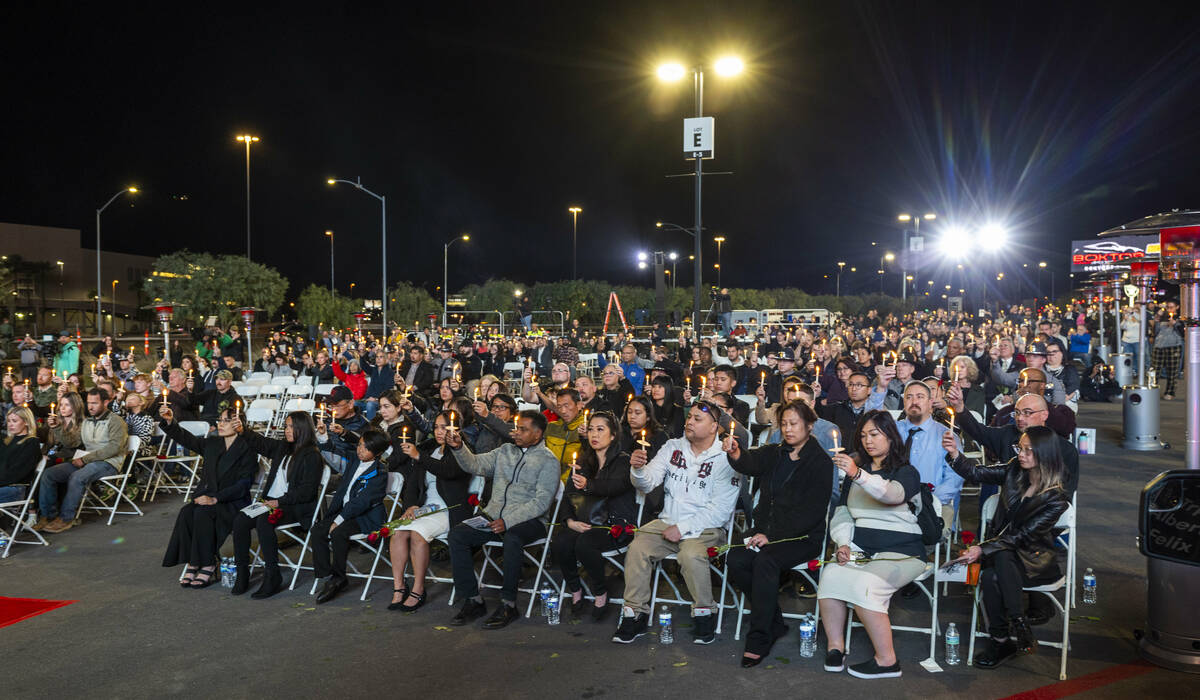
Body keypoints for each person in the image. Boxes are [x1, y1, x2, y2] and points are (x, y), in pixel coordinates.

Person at [614, 401, 740, 645]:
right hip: (668, 522)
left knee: (691, 554)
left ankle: (705, 611)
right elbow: (648, 482)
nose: (689, 422)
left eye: (697, 419)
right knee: (638, 548)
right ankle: (635, 613)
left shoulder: (726, 457)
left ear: (714, 426)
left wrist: (682, 529)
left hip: (707, 528)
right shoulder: (672, 447)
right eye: (689, 416)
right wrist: (638, 469)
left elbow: (720, 511)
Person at [943, 426, 1070, 669]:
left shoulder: (1056, 499)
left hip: (1032, 560)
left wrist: (982, 549)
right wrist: (955, 454)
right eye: (1019, 448)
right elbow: (977, 473)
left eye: (1027, 450)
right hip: (1003, 553)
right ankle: (1016, 627)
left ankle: (1002, 638)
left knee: (993, 571)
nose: (1021, 454)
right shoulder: (1015, 469)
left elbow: (1023, 536)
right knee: (998, 563)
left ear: (1045, 454)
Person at [818, 410, 928, 680]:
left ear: (891, 437)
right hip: (863, 547)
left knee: (865, 585)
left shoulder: (906, 472)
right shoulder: (858, 472)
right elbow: (843, 512)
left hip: (903, 552)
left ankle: (887, 661)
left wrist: (857, 475)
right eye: (864, 435)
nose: (868, 440)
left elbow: (892, 495)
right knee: (830, 575)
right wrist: (843, 542)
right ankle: (836, 647)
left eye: (875, 434)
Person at [724, 400, 833, 667]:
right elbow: (750, 462)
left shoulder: (820, 462)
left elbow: (813, 512)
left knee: (766, 560)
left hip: (802, 537)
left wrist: (773, 536)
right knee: (735, 559)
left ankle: (760, 637)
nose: (787, 429)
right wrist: (736, 453)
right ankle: (773, 621)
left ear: (809, 425)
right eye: (783, 423)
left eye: (794, 423)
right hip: (767, 530)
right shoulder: (775, 452)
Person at [445, 409, 560, 630]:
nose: (516, 433)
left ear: (538, 434)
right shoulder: (505, 451)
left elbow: (541, 503)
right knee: (458, 535)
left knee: (513, 538)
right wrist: (459, 448)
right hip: (494, 515)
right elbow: (475, 465)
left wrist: (508, 521)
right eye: (516, 428)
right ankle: (472, 599)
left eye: (523, 430)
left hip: (530, 521)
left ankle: (509, 604)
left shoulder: (548, 460)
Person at [159, 404, 256, 588]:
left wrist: (215, 498)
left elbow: (244, 485)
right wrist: (170, 421)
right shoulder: (213, 443)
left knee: (203, 513)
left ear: (238, 423)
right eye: (220, 420)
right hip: (209, 496)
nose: (220, 423)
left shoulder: (247, 449)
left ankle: (208, 563)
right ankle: (193, 561)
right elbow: (187, 439)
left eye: (226, 421)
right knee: (187, 512)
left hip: (232, 501)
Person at [552, 411, 636, 622]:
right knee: (561, 541)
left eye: (600, 429)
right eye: (591, 429)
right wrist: (570, 521)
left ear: (614, 434)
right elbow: (569, 495)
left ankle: (600, 592)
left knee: (584, 544)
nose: (594, 434)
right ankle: (575, 589)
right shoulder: (583, 460)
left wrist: (589, 485)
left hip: (612, 524)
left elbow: (617, 486)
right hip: (584, 520)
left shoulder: (623, 461)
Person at [232, 411, 324, 598]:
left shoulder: (311, 455)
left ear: (302, 428)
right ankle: (242, 572)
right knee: (240, 519)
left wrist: (279, 501)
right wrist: (243, 430)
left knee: (263, 522)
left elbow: (306, 492)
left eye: (291, 426)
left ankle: (272, 574)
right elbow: (262, 443)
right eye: (286, 426)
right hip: (270, 503)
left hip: (293, 506)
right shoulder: (283, 447)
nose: (286, 430)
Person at [388, 410, 472, 612]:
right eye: (436, 427)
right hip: (426, 508)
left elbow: (448, 471)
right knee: (397, 531)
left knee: (417, 534)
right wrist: (409, 505)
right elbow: (412, 484)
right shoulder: (430, 449)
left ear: (457, 428)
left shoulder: (462, 451)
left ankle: (418, 588)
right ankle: (399, 587)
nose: (439, 431)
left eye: (444, 427)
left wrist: (418, 456)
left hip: (448, 509)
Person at [311, 430, 391, 604]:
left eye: (366, 448)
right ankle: (327, 574)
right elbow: (336, 453)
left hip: (365, 517)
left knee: (338, 533)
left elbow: (362, 502)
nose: (360, 450)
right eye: (360, 444)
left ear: (377, 453)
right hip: (343, 512)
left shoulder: (380, 473)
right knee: (317, 530)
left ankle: (339, 577)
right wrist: (324, 437)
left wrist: (338, 521)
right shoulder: (354, 460)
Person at [37, 388, 128, 533]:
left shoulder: (116, 421)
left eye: (95, 403)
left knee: (77, 477)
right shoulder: (87, 422)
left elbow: (114, 448)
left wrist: (86, 459)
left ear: (106, 402)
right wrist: (57, 428)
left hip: (108, 462)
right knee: (49, 474)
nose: (90, 407)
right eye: (88, 403)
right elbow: (72, 443)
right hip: (87, 460)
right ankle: (48, 516)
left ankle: (66, 518)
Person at [315, 385, 368, 474]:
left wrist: (344, 433)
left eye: (337, 405)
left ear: (350, 404)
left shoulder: (362, 423)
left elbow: (364, 446)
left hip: (342, 467)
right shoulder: (327, 421)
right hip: (321, 461)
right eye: (331, 406)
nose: (334, 409)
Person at [0, 406, 41, 503]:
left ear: (26, 422)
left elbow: (18, 472)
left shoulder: (31, 442)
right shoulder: (6, 441)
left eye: (14, 421)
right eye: (9, 421)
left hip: (14, 488)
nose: (10, 424)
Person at [543, 387, 585, 474]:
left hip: (574, 482)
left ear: (579, 405)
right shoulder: (551, 427)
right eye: (559, 406)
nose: (563, 411)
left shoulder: (588, 429)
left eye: (567, 406)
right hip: (550, 479)